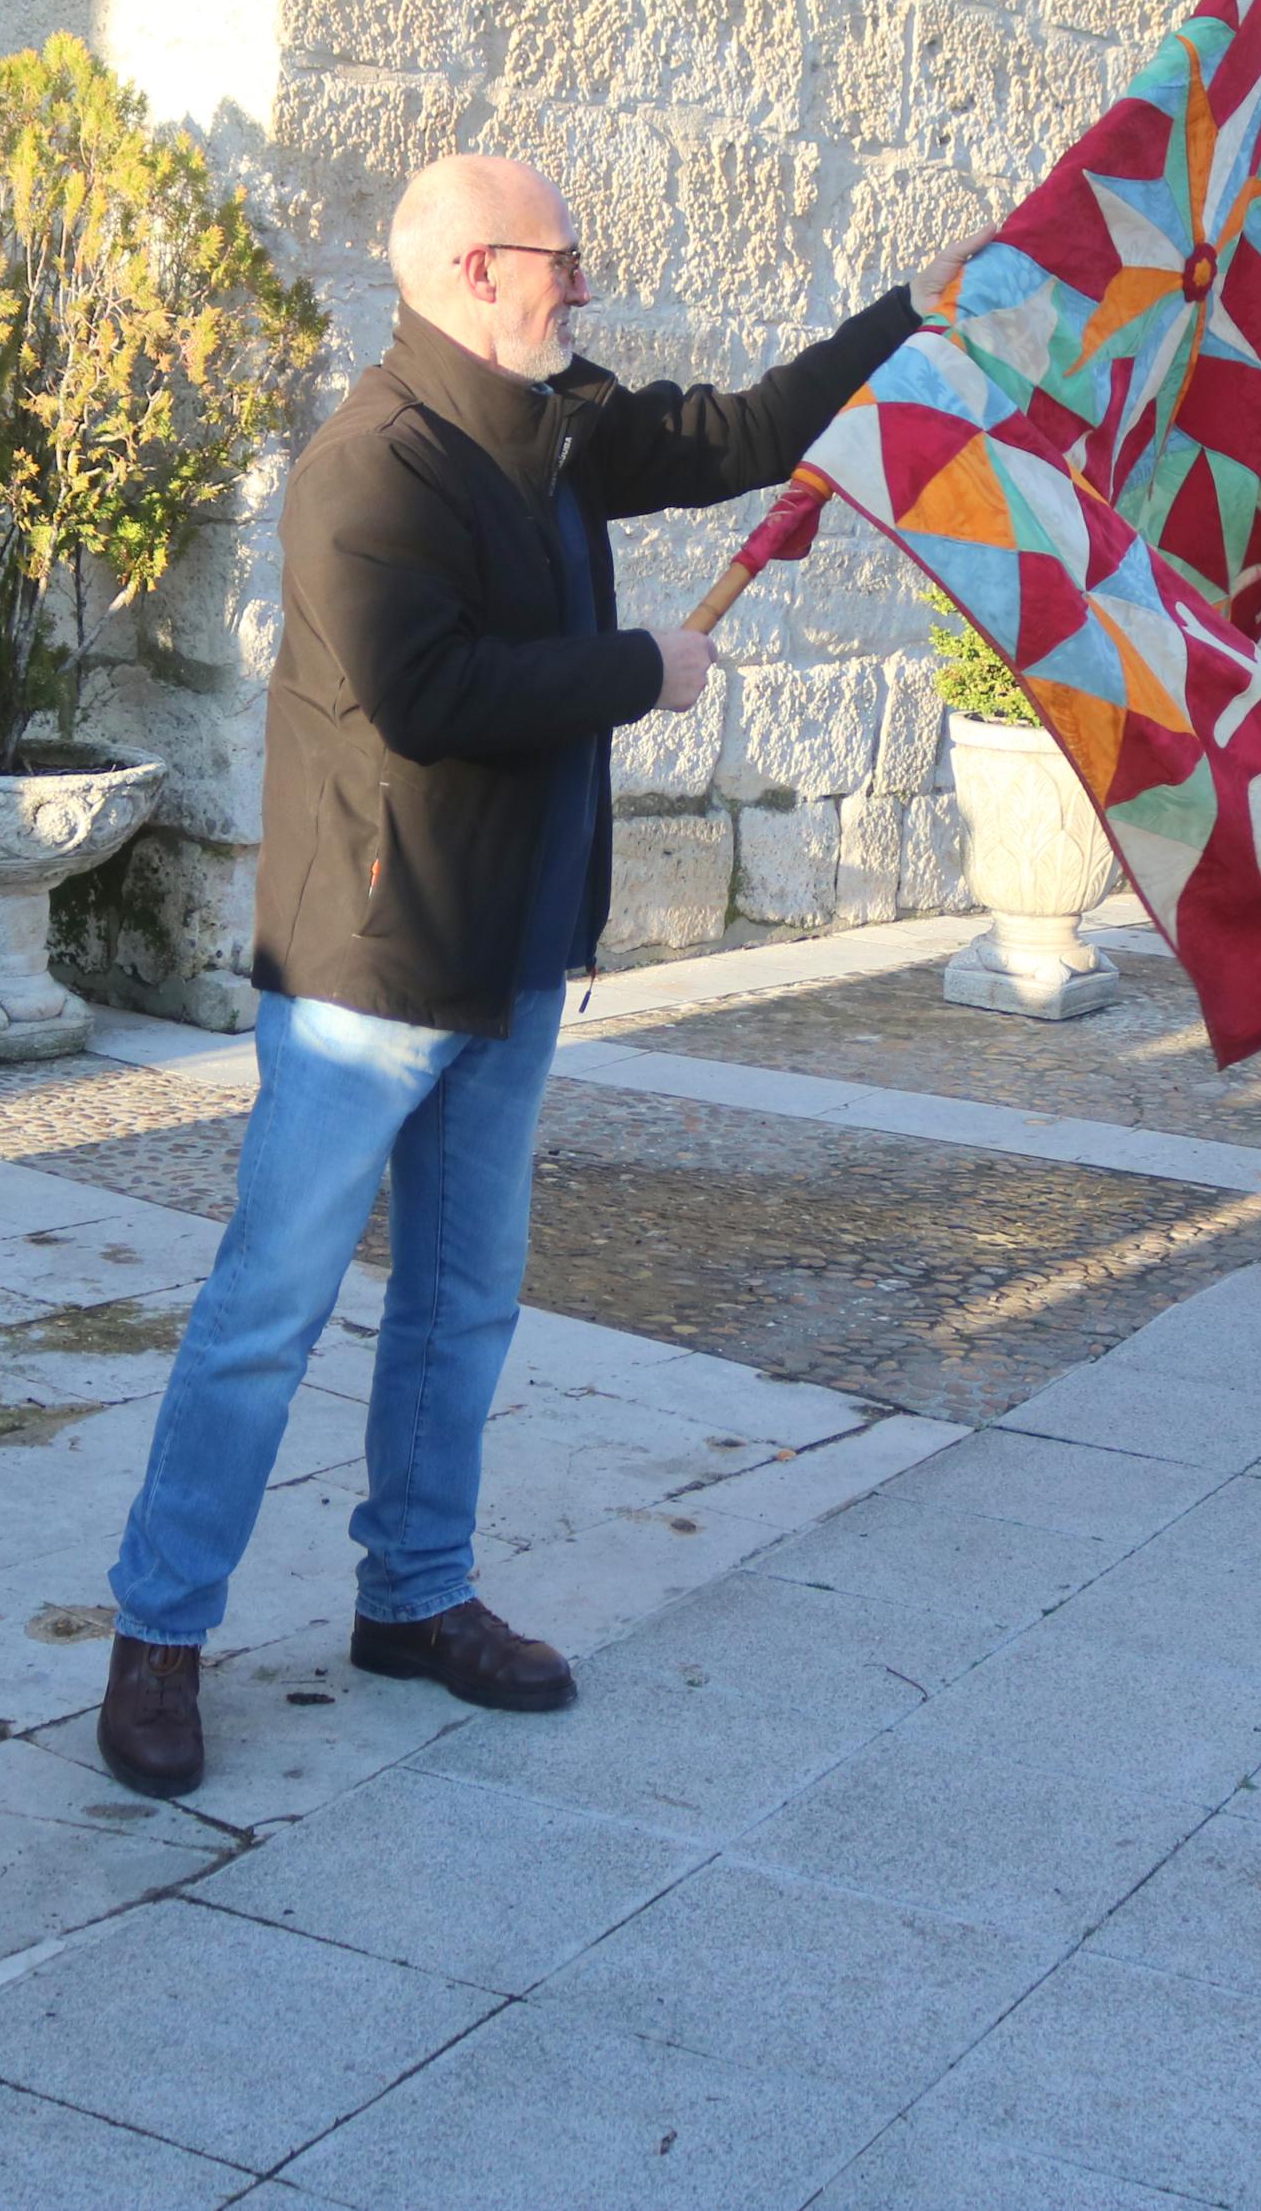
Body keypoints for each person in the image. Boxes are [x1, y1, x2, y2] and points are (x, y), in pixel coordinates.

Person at [93, 153, 984, 1799]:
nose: (581, 285)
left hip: (509, 951)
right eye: (563, 260)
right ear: (472, 269)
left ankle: (414, 1598)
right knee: (265, 1309)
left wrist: (903, 314)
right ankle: (156, 1638)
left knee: (462, 1299)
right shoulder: (365, 469)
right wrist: (642, 669)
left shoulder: (558, 420)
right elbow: (427, 693)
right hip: (371, 963)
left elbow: (732, 436)